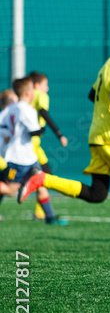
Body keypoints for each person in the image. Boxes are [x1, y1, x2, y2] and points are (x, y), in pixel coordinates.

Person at [19, 22, 110, 250]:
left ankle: (41, 179)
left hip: (97, 136)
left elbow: (94, 95)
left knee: (97, 194)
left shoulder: (108, 64)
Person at [0, 79, 67, 223]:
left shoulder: (10, 109)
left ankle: (50, 217)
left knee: (41, 182)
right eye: (32, 91)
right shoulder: (27, 109)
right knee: (11, 190)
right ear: (27, 93)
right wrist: (42, 129)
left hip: (29, 156)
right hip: (19, 158)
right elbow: (34, 131)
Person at [28, 71, 69, 219]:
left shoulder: (27, 96)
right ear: (36, 85)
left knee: (44, 175)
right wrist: (59, 134)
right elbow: (44, 112)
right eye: (45, 85)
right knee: (42, 176)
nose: (48, 88)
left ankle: (40, 212)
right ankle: (43, 213)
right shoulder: (41, 95)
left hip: (31, 144)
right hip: (31, 144)